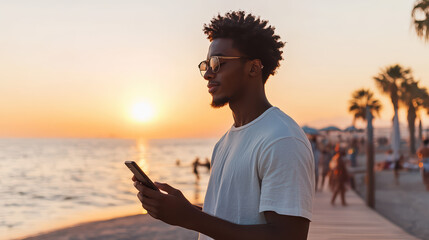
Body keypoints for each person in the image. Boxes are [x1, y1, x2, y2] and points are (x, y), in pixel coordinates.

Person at [132, 11, 314, 240]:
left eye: (218, 63)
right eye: (206, 64)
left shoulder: (282, 139)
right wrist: (181, 210)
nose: (208, 73)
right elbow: (231, 217)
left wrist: (190, 217)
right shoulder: (226, 141)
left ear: (253, 68)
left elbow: (288, 236)